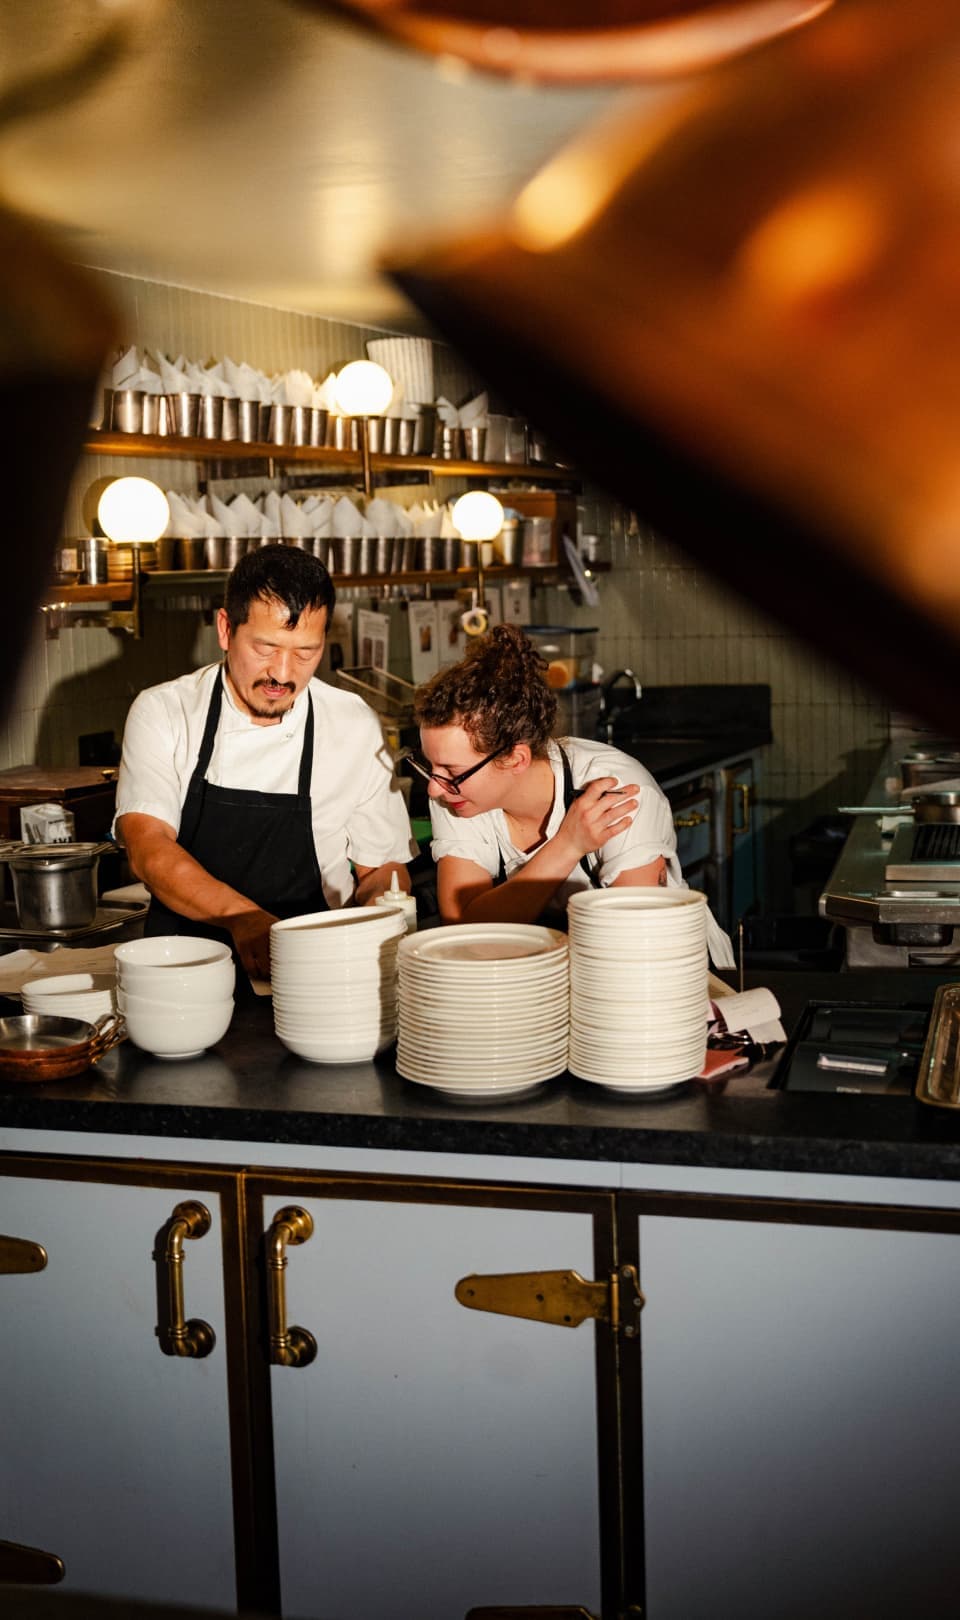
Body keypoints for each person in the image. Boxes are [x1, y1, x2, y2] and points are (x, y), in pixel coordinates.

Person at [115, 544, 415, 980]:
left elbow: (383, 868)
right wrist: (246, 920)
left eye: (305, 652)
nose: (282, 672)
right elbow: (148, 848)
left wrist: (376, 914)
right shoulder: (165, 711)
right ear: (225, 628)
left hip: (314, 973)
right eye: (265, 647)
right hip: (184, 974)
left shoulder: (351, 723)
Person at [411, 623, 734, 965]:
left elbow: (631, 943)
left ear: (516, 759)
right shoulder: (458, 796)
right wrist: (568, 846)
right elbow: (464, 931)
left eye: (453, 771)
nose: (434, 787)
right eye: (430, 766)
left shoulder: (614, 787)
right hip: (555, 976)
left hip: (672, 974)